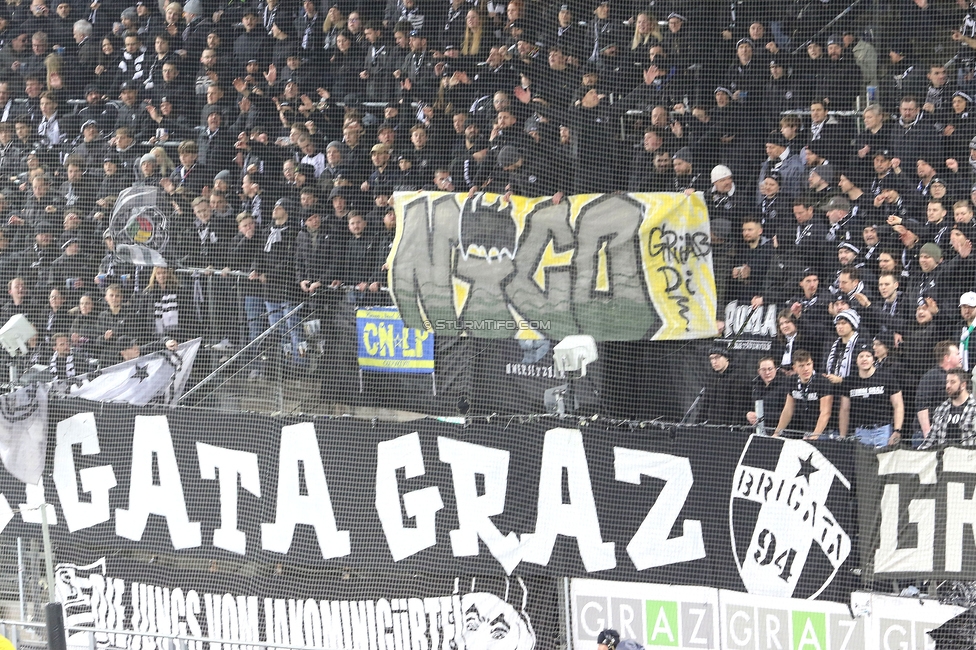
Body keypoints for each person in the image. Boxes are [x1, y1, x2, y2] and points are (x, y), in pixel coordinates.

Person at [838, 343, 904, 447]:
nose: (864, 359)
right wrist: (842, 435)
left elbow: (898, 405)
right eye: (861, 356)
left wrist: (897, 430)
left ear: (873, 359)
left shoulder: (887, 377)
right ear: (856, 360)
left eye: (868, 356)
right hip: (861, 433)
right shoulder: (849, 382)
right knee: (863, 463)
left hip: (883, 431)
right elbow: (844, 409)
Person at [774, 350, 834, 439]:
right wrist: (777, 433)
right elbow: (788, 410)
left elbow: (825, 412)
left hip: (824, 433)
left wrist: (815, 435)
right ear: (795, 368)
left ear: (812, 364)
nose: (806, 369)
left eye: (808, 364)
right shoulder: (792, 381)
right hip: (804, 432)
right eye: (801, 366)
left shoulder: (823, 382)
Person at [916, 341, 963, 445]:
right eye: (957, 354)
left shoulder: (957, 377)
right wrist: (927, 434)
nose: (961, 357)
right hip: (927, 435)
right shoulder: (932, 376)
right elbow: (921, 403)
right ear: (947, 358)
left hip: (945, 435)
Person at [922, 368, 976, 447]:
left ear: (963, 385)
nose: (948, 386)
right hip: (945, 457)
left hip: (967, 457)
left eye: (952, 382)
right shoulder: (941, 409)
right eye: (947, 382)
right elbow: (930, 439)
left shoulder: (974, 408)